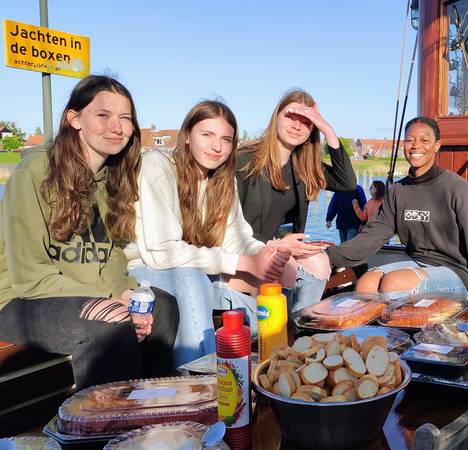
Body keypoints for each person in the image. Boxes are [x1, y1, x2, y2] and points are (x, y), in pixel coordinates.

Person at [0, 75, 179, 389]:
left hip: (79, 294)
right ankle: (94, 430)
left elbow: (110, 256)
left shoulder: (110, 179)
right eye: (103, 115)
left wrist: (123, 292)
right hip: (17, 301)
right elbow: (30, 277)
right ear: (74, 119)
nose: (117, 126)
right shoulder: (33, 173)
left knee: (161, 306)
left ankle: (150, 412)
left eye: (125, 118)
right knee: (111, 322)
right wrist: (109, 302)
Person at [126, 100, 291, 367]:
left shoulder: (221, 181)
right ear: (187, 136)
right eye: (207, 135)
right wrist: (246, 263)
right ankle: (200, 388)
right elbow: (161, 251)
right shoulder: (158, 165)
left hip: (194, 269)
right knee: (192, 279)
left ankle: (277, 365)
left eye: (226, 139)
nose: (217, 146)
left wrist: (267, 254)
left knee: (279, 282)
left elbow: (236, 238)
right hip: (143, 268)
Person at [326, 117, 468, 315]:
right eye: (410, 140)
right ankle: (384, 338)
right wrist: (329, 256)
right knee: (366, 284)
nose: (416, 146)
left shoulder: (456, 188)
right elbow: (372, 236)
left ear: (437, 146)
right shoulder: (397, 190)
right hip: (416, 262)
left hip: (455, 272)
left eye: (424, 140)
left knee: (393, 284)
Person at [236, 90, 356, 311]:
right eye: (290, 116)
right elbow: (229, 225)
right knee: (287, 265)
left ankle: (301, 325)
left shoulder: (303, 165)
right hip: (245, 246)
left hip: (282, 246)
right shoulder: (244, 160)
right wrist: (272, 245)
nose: (297, 126)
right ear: (276, 117)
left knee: (320, 261)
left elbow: (346, 183)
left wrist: (327, 129)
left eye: (307, 122)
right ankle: (282, 332)